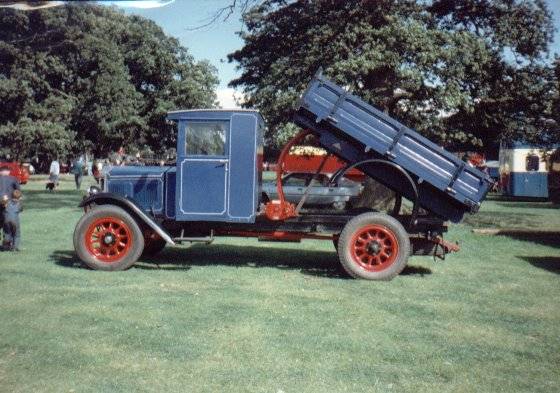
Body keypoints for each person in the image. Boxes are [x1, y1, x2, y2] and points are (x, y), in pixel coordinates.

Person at [0, 164, 21, 249]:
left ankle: (6, 243)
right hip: (9, 204)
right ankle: (8, 243)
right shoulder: (13, 179)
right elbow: (18, 191)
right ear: (8, 171)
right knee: (7, 224)